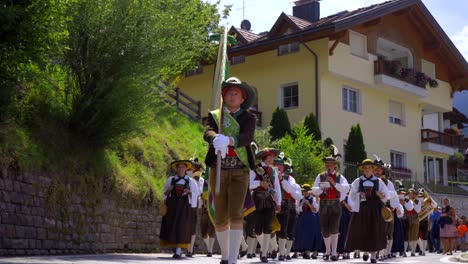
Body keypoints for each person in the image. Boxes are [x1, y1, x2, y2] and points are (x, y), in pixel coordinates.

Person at [204, 77, 257, 264]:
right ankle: (225, 255)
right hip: (218, 168)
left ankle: (233, 258)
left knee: (236, 213)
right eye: (228, 92)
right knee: (219, 216)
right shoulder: (216, 116)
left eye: (235, 93)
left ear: (242, 98)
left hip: (239, 170)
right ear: (223, 96)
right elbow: (207, 131)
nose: (231, 95)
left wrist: (230, 140)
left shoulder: (249, 117)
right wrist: (215, 138)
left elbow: (247, 137)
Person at [346, 159, 389, 264]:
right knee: (362, 229)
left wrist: (380, 195)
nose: (367, 169)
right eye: (365, 168)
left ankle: (373, 255)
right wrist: (359, 194)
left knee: (374, 230)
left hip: (375, 208)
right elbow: (351, 195)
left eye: (369, 167)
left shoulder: (379, 181)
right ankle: (365, 251)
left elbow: (386, 196)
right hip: (362, 208)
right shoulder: (357, 181)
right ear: (362, 170)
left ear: (373, 169)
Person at [312, 145, 349, 261]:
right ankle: (327, 251)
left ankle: (334, 252)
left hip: (335, 204)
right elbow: (314, 190)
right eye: (326, 164)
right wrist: (321, 189)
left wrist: (333, 183)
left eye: (330, 164)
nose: (328, 166)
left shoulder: (340, 177)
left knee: (334, 228)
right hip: (323, 204)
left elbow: (346, 189)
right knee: (325, 229)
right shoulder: (320, 176)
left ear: (335, 165)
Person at [160, 160, 199, 258]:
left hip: (184, 208)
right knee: (172, 226)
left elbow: (196, 195)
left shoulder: (191, 181)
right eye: (179, 167)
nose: (181, 169)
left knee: (181, 227)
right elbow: (164, 194)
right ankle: (175, 248)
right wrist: (169, 190)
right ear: (177, 169)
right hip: (172, 207)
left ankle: (178, 250)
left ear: (186, 169)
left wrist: (189, 192)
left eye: (183, 167)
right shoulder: (171, 179)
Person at [250, 148, 282, 263]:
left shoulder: (273, 171)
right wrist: (259, 183)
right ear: (265, 157)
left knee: (268, 227)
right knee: (257, 229)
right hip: (257, 200)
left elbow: (277, 188)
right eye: (270, 157)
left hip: (269, 200)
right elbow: (248, 184)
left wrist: (278, 203)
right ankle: (272, 247)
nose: (272, 159)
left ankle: (264, 253)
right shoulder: (255, 169)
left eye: (272, 157)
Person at [274, 155, 302, 261]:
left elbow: (291, 191)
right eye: (275, 164)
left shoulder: (290, 179)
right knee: (272, 229)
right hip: (273, 205)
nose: (277, 167)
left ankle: (285, 253)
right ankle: (275, 250)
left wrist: (281, 180)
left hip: (289, 207)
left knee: (287, 231)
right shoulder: (270, 176)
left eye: (279, 165)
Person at [292, 184, 322, 259]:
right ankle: (299, 251)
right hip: (301, 217)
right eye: (303, 191)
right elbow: (297, 209)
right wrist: (302, 204)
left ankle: (308, 252)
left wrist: (308, 203)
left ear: (309, 192)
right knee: (300, 234)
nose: (304, 193)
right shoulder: (299, 199)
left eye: (306, 191)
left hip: (310, 218)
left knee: (309, 235)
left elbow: (315, 210)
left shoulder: (313, 199)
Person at [186, 158, 205, 257]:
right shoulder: (184, 176)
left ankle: (191, 249)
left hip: (193, 204)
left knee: (192, 227)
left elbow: (200, 191)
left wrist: (193, 180)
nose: (190, 167)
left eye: (191, 166)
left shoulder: (200, 179)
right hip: (184, 203)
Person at [337, 185, 354, 260]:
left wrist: (344, 204)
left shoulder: (347, 197)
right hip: (337, 218)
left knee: (345, 234)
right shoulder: (336, 196)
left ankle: (345, 251)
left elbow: (351, 209)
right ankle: (336, 251)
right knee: (337, 234)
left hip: (345, 218)